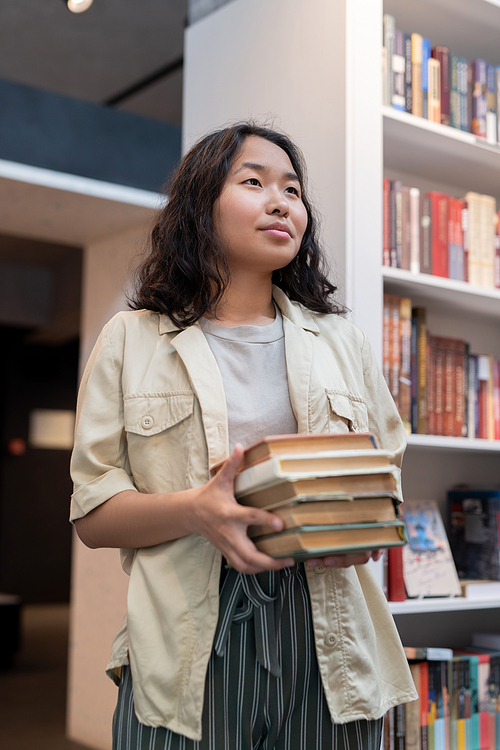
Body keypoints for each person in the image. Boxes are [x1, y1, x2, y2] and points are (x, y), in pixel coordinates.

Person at [70, 122, 417, 750]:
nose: (281, 201)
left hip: (328, 631)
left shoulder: (343, 341)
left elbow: (386, 483)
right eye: (254, 182)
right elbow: (93, 515)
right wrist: (198, 511)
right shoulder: (131, 339)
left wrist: (362, 532)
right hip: (189, 638)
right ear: (201, 208)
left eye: (292, 189)